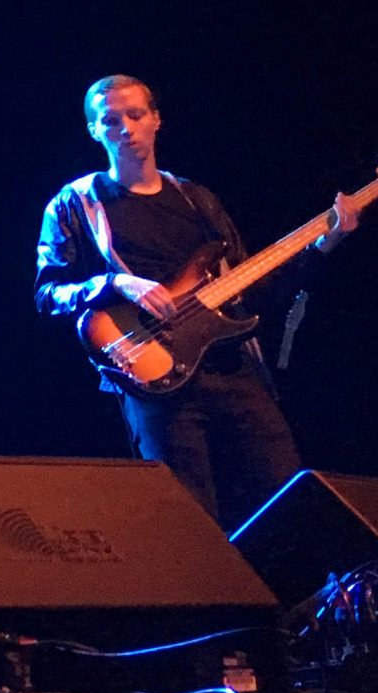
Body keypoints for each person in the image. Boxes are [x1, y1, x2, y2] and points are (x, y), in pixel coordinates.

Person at [35, 74, 354, 529]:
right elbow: (48, 295)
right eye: (110, 120)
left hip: (234, 372)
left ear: (156, 120)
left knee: (291, 501)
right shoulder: (74, 204)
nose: (125, 127)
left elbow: (253, 286)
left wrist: (326, 242)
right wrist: (116, 285)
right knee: (188, 526)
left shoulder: (197, 200)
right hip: (156, 384)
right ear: (93, 131)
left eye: (136, 114)